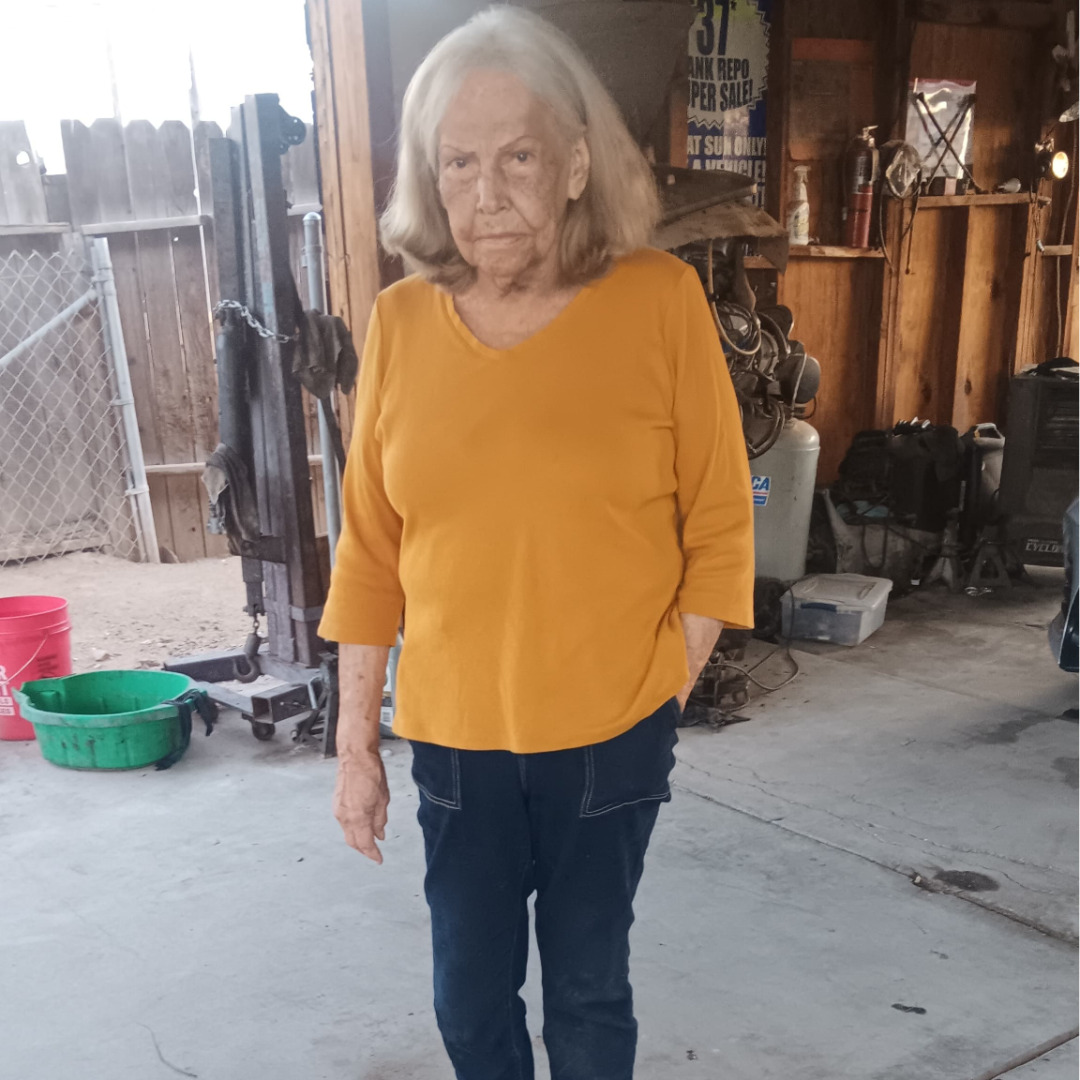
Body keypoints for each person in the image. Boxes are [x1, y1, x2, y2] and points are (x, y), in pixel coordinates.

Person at [318, 8, 754, 1079]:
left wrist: (664, 688)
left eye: (517, 156)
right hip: (455, 743)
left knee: (589, 994)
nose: (486, 191)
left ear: (575, 165)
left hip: (611, 735)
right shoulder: (400, 326)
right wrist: (356, 747)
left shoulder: (660, 302)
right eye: (458, 161)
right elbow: (370, 552)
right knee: (469, 1002)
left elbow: (720, 521)